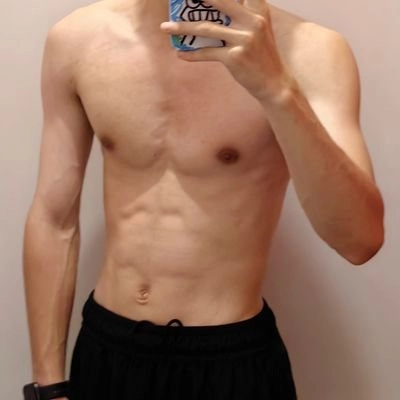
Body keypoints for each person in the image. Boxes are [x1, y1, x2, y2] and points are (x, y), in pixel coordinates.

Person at [22, 0, 385, 399]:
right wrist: (48, 386)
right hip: (107, 349)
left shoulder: (312, 52)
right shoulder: (78, 39)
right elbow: (53, 218)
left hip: (230, 361)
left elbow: (360, 241)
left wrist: (277, 89)